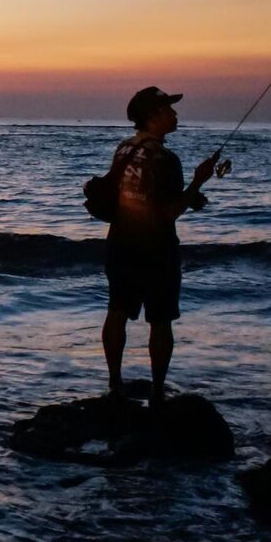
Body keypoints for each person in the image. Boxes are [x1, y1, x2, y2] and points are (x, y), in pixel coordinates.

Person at [102, 86, 220, 405]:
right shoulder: (166, 158)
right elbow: (167, 212)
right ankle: (157, 392)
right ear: (154, 116)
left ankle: (115, 384)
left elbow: (138, 193)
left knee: (117, 311)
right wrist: (198, 181)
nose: (175, 114)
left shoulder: (124, 149)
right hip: (156, 247)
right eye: (169, 109)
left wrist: (189, 197)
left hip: (121, 241)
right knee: (161, 319)